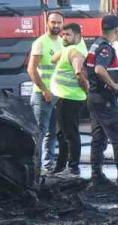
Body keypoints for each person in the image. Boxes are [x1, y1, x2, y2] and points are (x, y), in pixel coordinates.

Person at [85, 14, 118, 187]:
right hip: (105, 100)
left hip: (95, 98)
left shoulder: (95, 45)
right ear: (117, 30)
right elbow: (99, 69)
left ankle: (96, 175)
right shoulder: (106, 48)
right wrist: (114, 85)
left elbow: (86, 71)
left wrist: (91, 89)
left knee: (98, 138)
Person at [26, 11, 64, 171]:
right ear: (47, 23)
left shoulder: (62, 43)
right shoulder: (40, 43)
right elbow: (31, 69)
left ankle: (48, 167)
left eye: (59, 23)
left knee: (53, 133)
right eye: (53, 22)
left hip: (58, 95)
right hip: (43, 95)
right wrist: (44, 90)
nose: (56, 25)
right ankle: (35, 167)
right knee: (39, 133)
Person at [50, 22, 89, 175]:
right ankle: (60, 166)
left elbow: (78, 73)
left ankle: (73, 167)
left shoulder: (75, 52)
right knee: (62, 134)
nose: (64, 37)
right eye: (63, 35)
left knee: (70, 134)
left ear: (78, 36)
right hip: (64, 97)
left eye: (68, 35)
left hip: (70, 98)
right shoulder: (70, 48)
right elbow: (53, 58)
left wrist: (86, 91)